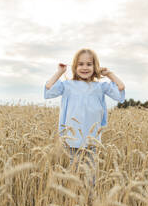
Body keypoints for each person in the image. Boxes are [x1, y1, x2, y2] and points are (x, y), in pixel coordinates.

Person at [44, 48, 125, 187]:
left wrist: (109, 74)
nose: (85, 67)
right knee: (73, 172)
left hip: (92, 138)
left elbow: (120, 88)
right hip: (72, 137)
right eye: (80, 64)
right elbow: (48, 88)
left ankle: (88, 200)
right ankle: (73, 199)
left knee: (90, 175)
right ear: (75, 67)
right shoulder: (68, 85)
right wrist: (59, 72)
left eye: (89, 64)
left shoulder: (100, 87)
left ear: (95, 67)